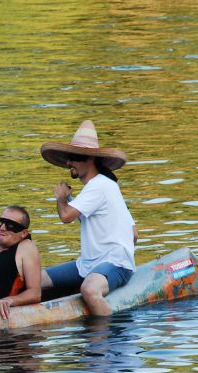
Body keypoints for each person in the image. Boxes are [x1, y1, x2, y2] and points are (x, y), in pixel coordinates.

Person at [39, 120, 138, 317]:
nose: (69, 163)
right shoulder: (103, 185)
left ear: (90, 159)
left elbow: (66, 216)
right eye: (69, 157)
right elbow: (134, 234)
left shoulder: (98, 186)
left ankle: (107, 340)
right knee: (36, 280)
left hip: (116, 264)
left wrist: (60, 198)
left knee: (90, 290)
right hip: (88, 264)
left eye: (74, 157)